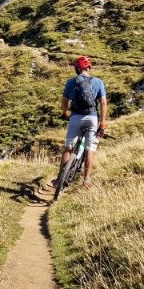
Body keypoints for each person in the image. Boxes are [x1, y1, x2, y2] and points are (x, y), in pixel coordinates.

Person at [57, 55, 108, 190]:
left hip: (76, 118)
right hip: (92, 118)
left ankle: (59, 179)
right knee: (89, 150)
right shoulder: (98, 82)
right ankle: (86, 179)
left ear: (77, 68)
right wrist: (102, 123)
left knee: (68, 148)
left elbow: (64, 101)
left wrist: (65, 113)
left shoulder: (71, 82)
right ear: (89, 67)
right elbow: (103, 103)